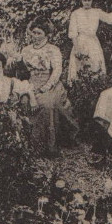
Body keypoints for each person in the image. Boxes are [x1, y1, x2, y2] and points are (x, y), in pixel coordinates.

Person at [20, 19, 76, 155]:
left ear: (46, 35)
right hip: (32, 82)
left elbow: (57, 71)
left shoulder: (53, 50)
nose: (35, 36)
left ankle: (47, 146)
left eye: (39, 33)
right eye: (34, 33)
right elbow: (23, 71)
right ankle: (28, 143)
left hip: (51, 82)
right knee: (24, 102)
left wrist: (46, 87)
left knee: (46, 104)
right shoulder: (26, 50)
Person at [67, 0, 112, 83]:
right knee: (80, 65)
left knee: (95, 64)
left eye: (89, 0)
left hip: (93, 42)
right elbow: (73, 32)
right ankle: (78, 89)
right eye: (84, 0)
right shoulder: (76, 13)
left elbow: (111, 18)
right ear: (81, 1)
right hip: (80, 42)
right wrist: (77, 48)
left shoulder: (96, 12)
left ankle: (95, 87)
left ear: (92, 1)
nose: (87, 2)